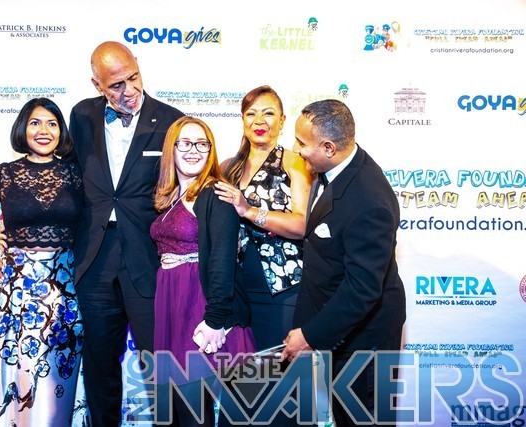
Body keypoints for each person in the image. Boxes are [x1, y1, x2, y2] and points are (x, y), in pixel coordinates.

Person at [68, 40, 184, 426]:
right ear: (97, 85)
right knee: (99, 363)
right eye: (116, 85)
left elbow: (187, 188)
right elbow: (66, 177)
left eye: (133, 77)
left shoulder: (171, 121)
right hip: (94, 259)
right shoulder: (81, 117)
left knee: (160, 364)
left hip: (147, 257)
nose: (129, 90)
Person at [282, 99, 406, 426]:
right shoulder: (337, 169)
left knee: (363, 419)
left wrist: (310, 335)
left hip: (366, 341)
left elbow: (362, 290)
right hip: (343, 331)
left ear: (329, 147)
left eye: (301, 143)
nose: (295, 150)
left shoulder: (368, 200)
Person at [0, 97, 86, 426]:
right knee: (13, 368)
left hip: (64, 287)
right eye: (35, 123)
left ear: (61, 131)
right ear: (22, 129)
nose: (44, 130)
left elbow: (95, 221)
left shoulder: (77, 175)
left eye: (52, 123)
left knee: (58, 367)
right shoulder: (3, 174)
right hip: (14, 290)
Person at [151, 116, 256, 426]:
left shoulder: (216, 194)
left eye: (201, 144)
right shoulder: (171, 196)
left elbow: (224, 259)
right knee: (184, 409)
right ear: (171, 148)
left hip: (201, 306)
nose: (193, 150)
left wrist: (215, 320)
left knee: (197, 411)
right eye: (185, 143)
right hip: (173, 305)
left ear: (211, 150)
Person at [215, 85, 312, 352]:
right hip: (235, 289)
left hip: (282, 288)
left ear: (282, 120)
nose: (259, 121)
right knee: (240, 372)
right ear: (243, 120)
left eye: (268, 113)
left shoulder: (294, 162)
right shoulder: (227, 168)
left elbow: (302, 224)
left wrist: (249, 210)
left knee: (278, 370)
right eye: (251, 113)